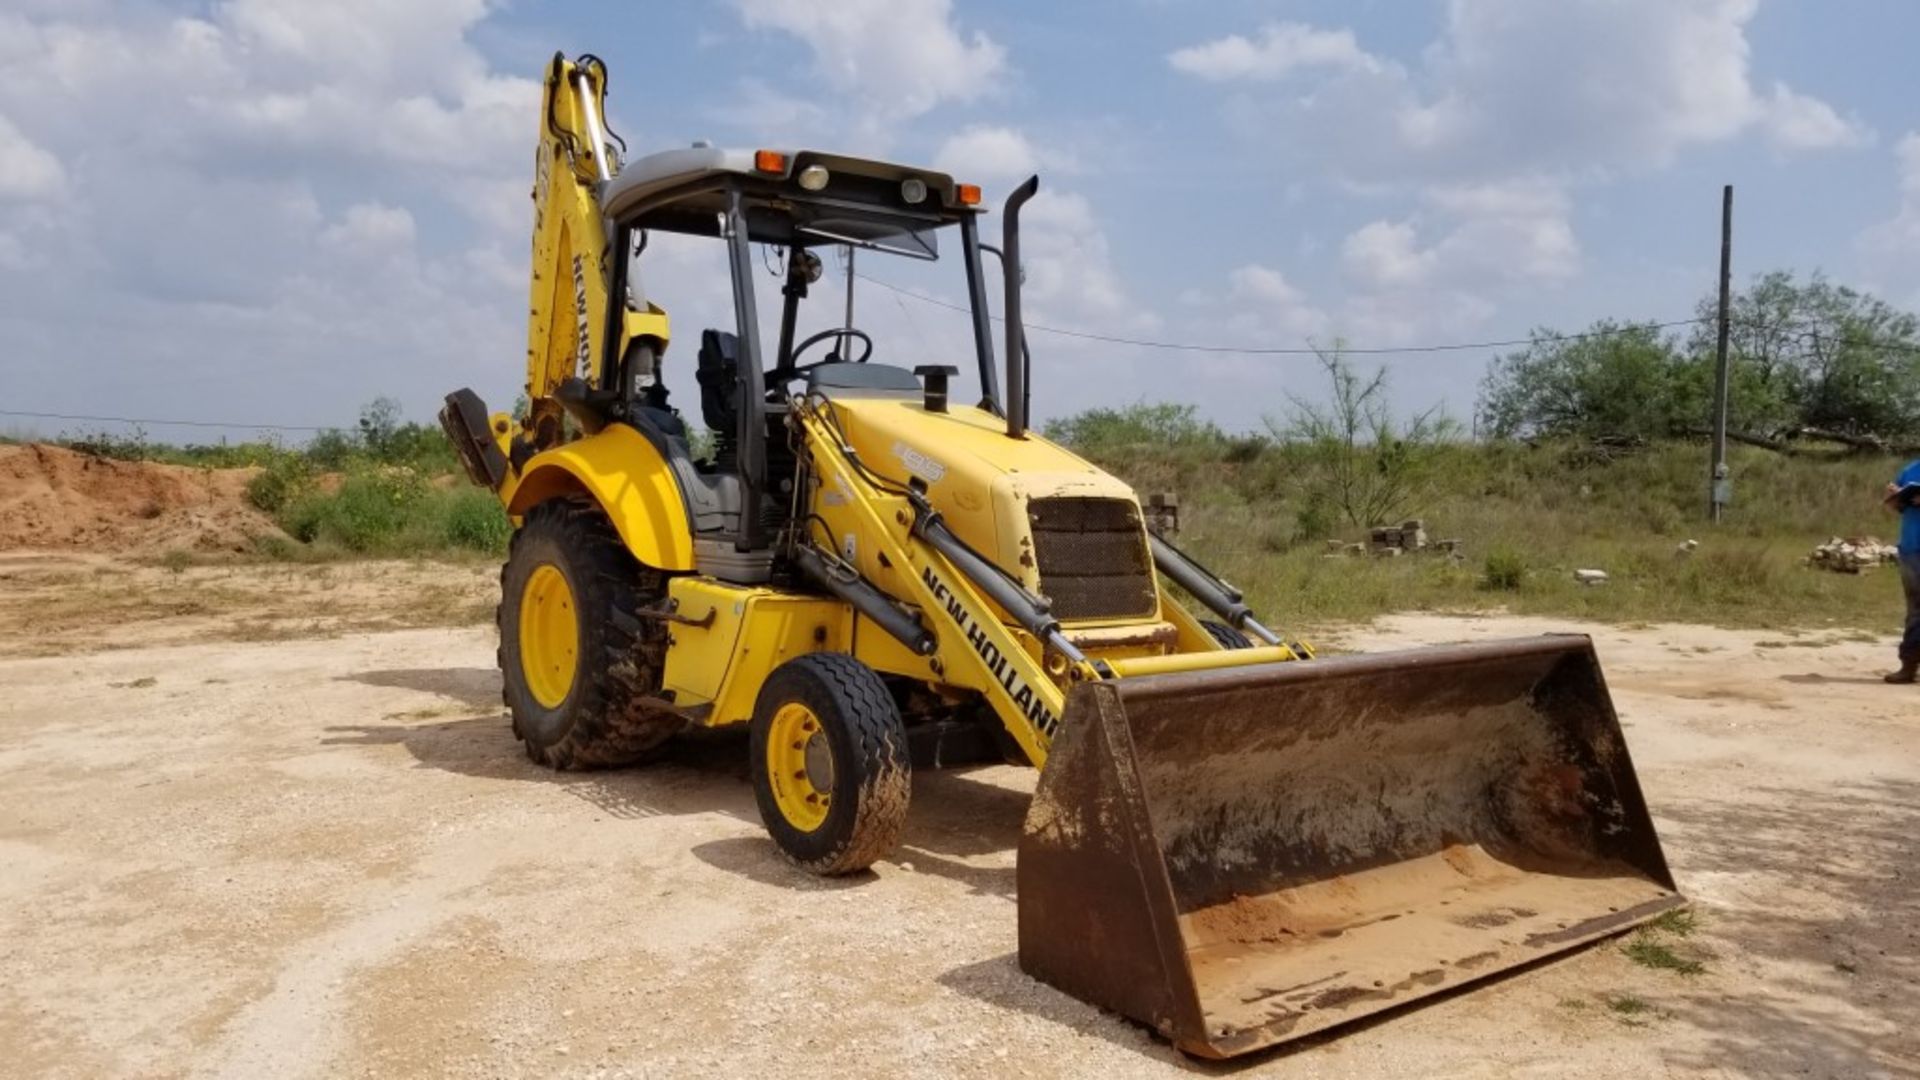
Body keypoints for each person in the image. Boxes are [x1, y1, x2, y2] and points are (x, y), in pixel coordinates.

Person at [1885, 458, 1920, 684]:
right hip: (1911, 547)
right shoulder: (1910, 469)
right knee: (1915, 608)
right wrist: (1895, 496)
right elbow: (1893, 504)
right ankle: (1909, 664)